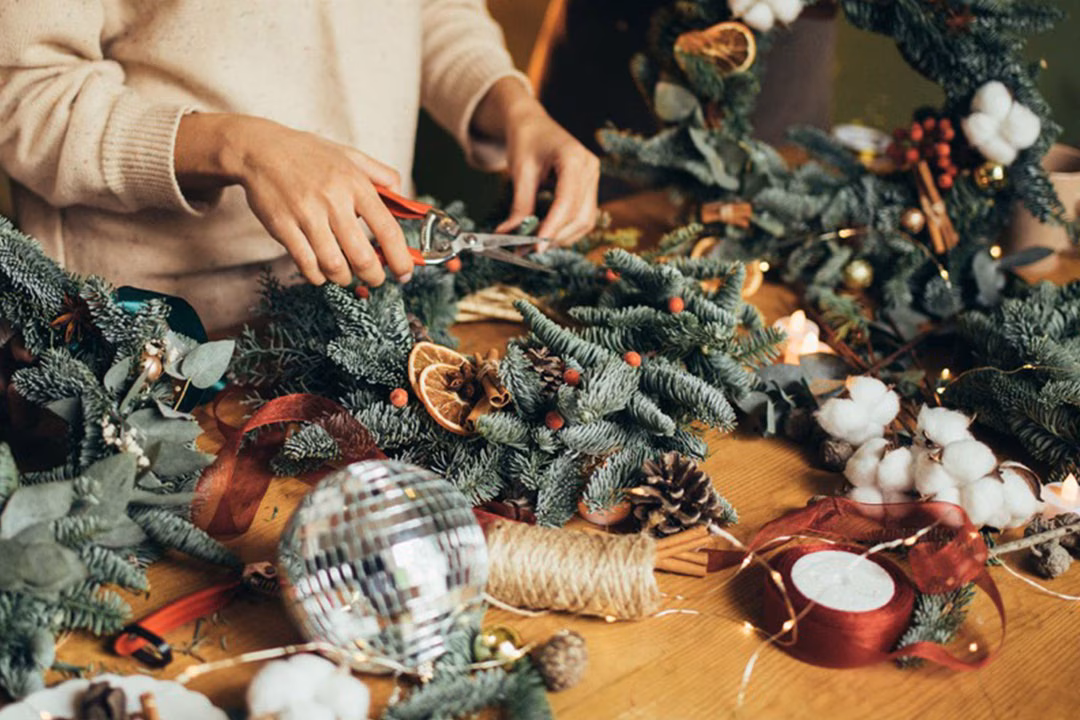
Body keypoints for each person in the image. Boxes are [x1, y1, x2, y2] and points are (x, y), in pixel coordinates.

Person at [0, 1, 600, 333]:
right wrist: (239, 147)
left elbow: (433, 10)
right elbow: (25, 96)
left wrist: (512, 105)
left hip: (381, 305)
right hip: (150, 336)